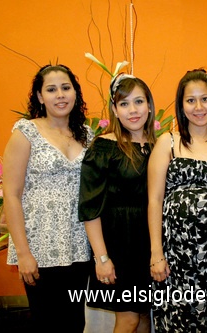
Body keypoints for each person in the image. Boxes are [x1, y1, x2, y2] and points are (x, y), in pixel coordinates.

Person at [148, 69, 207, 332]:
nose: (199, 107)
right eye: (190, 100)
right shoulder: (167, 143)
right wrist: (156, 253)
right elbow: (155, 201)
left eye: (205, 99)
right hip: (177, 256)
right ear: (181, 105)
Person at [3, 64, 93, 332]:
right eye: (51, 89)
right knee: (47, 322)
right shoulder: (26, 132)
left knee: (75, 321)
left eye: (66, 87)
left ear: (75, 93)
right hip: (40, 247)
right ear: (40, 97)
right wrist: (23, 253)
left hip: (78, 246)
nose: (60, 95)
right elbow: (11, 194)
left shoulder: (87, 135)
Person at [78, 73, 156, 333]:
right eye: (124, 104)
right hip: (120, 245)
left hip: (151, 244)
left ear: (149, 105)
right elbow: (90, 208)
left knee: (144, 316)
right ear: (114, 109)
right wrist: (102, 258)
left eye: (138, 102)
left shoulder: (160, 144)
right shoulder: (103, 147)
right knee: (129, 319)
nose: (133, 110)